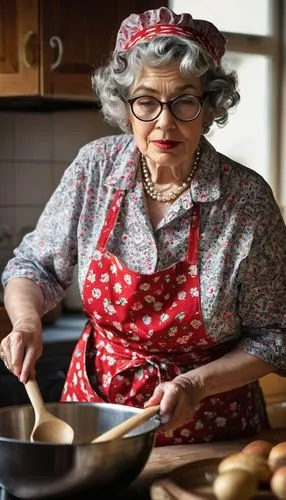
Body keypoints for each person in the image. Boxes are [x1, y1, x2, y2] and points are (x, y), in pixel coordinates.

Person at [1, 6, 286, 446]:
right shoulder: (94, 168)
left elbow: (274, 335)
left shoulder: (246, 201)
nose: (165, 122)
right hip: (94, 414)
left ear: (209, 107)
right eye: (147, 101)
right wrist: (26, 324)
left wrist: (195, 384)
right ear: (125, 105)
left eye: (185, 101)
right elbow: (35, 267)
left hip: (208, 425)